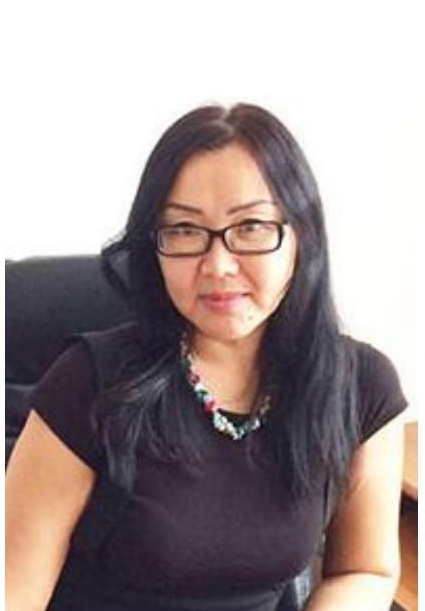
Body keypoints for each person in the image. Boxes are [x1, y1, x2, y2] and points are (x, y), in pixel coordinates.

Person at [6, 103, 408, 611]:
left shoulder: (361, 386)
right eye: (184, 230)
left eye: (251, 226)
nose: (218, 265)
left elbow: (364, 569)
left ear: (301, 236)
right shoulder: (88, 384)